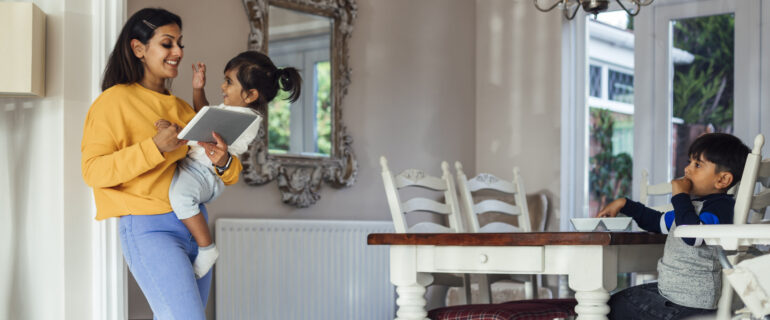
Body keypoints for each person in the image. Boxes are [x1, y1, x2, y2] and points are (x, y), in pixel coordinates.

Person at [81, 8, 238, 319]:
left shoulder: (182, 108)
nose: (178, 52)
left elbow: (222, 174)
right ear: (138, 48)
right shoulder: (112, 102)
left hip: (195, 226)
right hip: (150, 229)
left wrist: (223, 162)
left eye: (180, 44)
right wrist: (154, 147)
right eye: (168, 44)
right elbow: (93, 171)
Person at [160, 51, 301, 278]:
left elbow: (206, 136)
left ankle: (207, 248)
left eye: (229, 82)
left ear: (250, 95)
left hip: (204, 174)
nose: (223, 87)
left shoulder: (245, 119)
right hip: (197, 168)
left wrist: (177, 135)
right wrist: (198, 89)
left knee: (180, 197)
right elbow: (204, 116)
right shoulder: (235, 112)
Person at [597, 133, 751, 320]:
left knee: (607, 306)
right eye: (689, 162)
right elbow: (656, 222)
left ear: (723, 180)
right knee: (620, 299)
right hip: (676, 296)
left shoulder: (720, 209)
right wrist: (625, 204)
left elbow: (692, 236)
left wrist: (680, 197)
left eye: (697, 165)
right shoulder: (694, 208)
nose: (687, 169)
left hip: (691, 305)